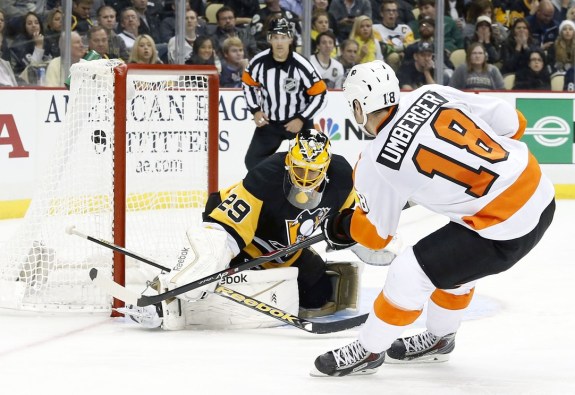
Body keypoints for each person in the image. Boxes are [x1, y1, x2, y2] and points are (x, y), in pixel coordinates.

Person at [311, 59, 555, 377]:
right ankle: (439, 341)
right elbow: (514, 123)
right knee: (450, 265)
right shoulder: (432, 92)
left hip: (504, 228)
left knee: (409, 272)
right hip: (540, 191)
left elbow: (375, 236)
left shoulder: (375, 162)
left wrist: (343, 226)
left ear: (359, 106)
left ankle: (369, 351)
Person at [120, 130, 364, 329]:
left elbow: (349, 219)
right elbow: (225, 232)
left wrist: (355, 233)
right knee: (206, 270)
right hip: (244, 240)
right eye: (299, 170)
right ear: (289, 161)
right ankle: (163, 291)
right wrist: (210, 260)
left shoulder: (342, 177)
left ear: (326, 168)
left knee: (318, 294)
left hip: (285, 249)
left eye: (313, 172)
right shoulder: (266, 176)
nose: (305, 179)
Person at [242, 17, 327, 171]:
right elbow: (248, 84)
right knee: (252, 161)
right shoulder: (258, 62)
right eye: (275, 38)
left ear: (290, 39)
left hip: (298, 122)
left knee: (311, 163)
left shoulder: (302, 65)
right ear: (269, 39)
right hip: (270, 122)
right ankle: (274, 188)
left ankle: (304, 189)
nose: (279, 42)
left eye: (283, 37)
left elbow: (321, 94)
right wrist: (255, 110)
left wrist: (301, 118)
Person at [372, 0, 415, 71]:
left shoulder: (405, 29)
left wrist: (402, 52)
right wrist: (401, 49)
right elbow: (383, 47)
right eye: (388, 11)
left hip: (405, 57)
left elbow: (411, 46)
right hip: (384, 60)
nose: (391, 13)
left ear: (397, 14)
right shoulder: (375, 29)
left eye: (394, 11)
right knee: (394, 57)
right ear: (382, 13)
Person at [9, 11, 52, 75]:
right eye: (29, 23)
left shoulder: (47, 40)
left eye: (36, 23)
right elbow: (32, 70)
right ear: (24, 27)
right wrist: (39, 46)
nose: (33, 25)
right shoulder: (19, 43)